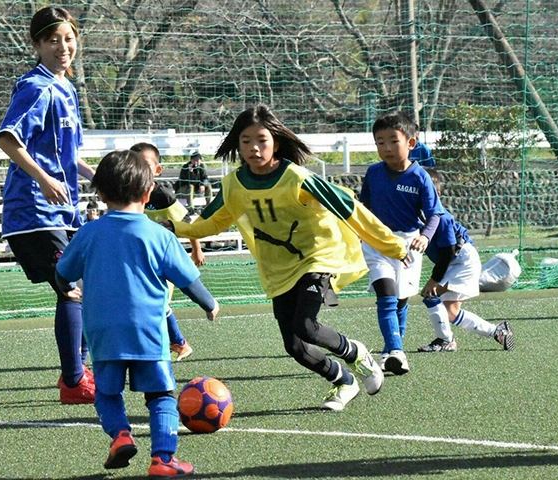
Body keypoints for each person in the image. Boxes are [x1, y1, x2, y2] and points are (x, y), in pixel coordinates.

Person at [162, 104, 408, 412]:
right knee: (295, 346)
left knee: (307, 325)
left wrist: (393, 246)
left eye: (262, 140)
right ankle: (344, 382)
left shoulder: (297, 178)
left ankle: (357, 354)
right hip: (278, 269)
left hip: (317, 257)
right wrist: (176, 227)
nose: (254, 147)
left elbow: (349, 207)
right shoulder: (234, 185)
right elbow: (212, 222)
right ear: (237, 145)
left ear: (275, 142)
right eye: (246, 140)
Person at [55, 149, 218, 476]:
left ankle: (120, 435)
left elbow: (63, 271)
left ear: (99, 193)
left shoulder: (89, 233)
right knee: (160, 396)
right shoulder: (160, 235)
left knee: (106, 391)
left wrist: (64, 288)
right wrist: (209, 304)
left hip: (103, 333)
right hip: (148, 333)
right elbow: (189, 280)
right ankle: (163, 459)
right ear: (147, 194)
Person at [0, 6, 96, 404]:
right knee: (70, 288)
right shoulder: (34, 87)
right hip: (34, 212)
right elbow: (7, 138)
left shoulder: (66, 89)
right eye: (52, 39)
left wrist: (103, 179)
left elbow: (69, 155)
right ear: (36, 44)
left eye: (68, 38)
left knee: (87, 286)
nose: (63, 46)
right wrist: (44, 178)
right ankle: (74, 382)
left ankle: (79, 372)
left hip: (62, 209)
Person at [359, 110, 445, 376]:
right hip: (378, 243)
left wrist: (424, 236)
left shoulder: (420, 177)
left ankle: (392, 350)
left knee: (400, 300)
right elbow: (363, 208)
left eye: (393, 141)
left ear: (411, 142)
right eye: (379, 142)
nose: (386, 147)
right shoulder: (373, 173)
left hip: (408, 244)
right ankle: (395, 350)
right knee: (386, 295)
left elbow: (435, 214)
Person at [418, 167, 514, 352]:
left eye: (426, 191)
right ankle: (498, 331)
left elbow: (448, 251)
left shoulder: (442, 217)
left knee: (431, 294)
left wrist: (434, 280)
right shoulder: (420, 216)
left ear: (437, 194)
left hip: (462, 260)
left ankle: (445, 341)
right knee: (451, 312)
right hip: (454, 260)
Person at [130, 141, 204, 361]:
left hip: (163, 260)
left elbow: (185, 221)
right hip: (138, 260)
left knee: (157, 303)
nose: (139, 168)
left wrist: (196, 249)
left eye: (145, 164)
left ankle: (177, 344)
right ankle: (174, 344)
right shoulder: (127, 193)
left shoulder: (162, 195)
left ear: (157, 170)